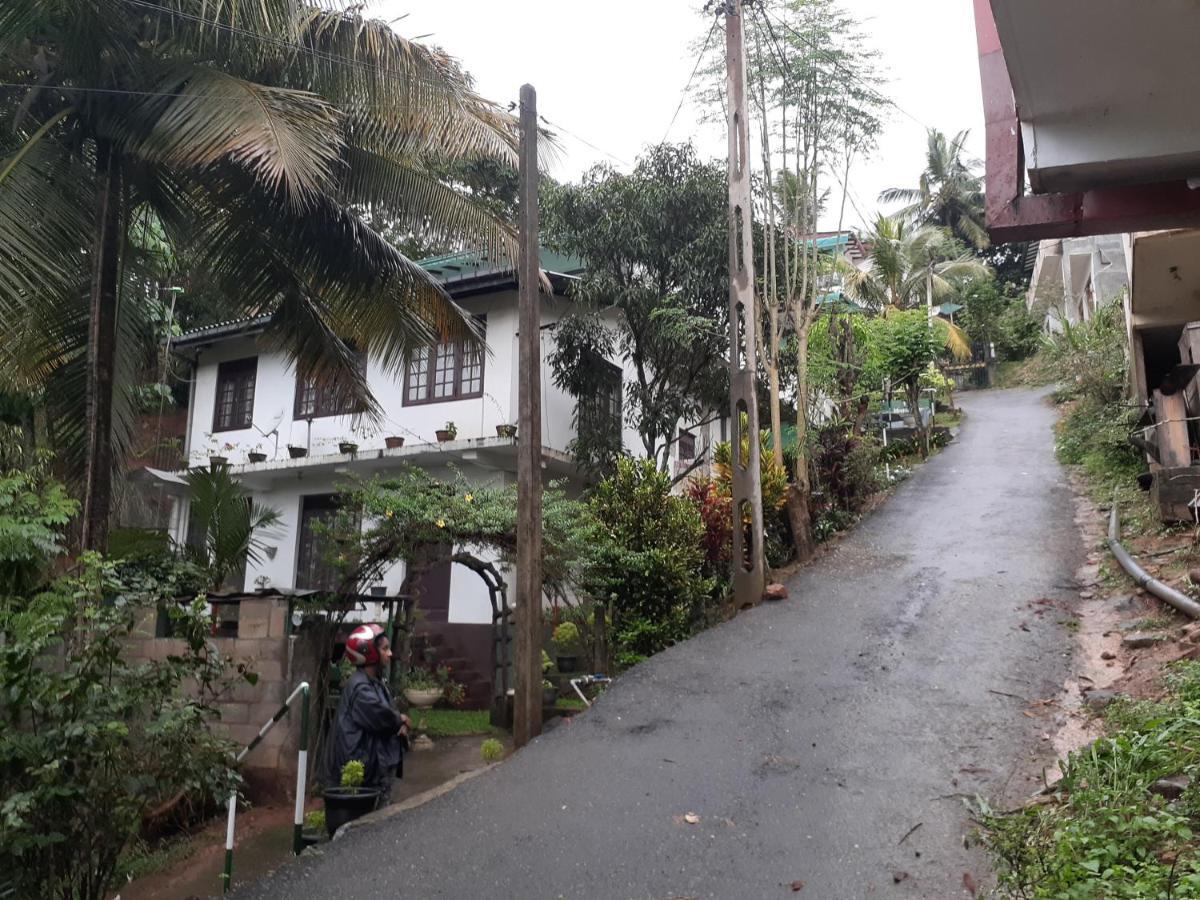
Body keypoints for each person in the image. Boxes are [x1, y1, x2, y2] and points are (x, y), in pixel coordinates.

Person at [324, 623, 410, 804]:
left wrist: (397, 722)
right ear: (369, 652)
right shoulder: (360, 688)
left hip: (374, 772)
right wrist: (399, 720)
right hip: (366, 778)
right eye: (385, 649)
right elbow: (381, 717)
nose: (390, 653)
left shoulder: (373, 682)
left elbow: (388, 712)